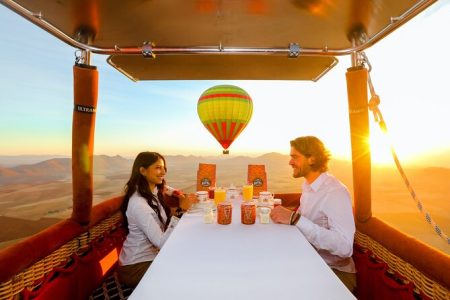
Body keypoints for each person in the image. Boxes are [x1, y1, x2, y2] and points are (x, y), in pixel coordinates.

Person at [270, 136, 356, 293]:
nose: (290, 162)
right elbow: (303, 222)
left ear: (312, 159)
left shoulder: (335, 192)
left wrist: (294, 218)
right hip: (309, 261)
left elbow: (345, 248)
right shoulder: (308, 186)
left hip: (334, 272)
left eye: (295, 157)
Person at [117, 151, 193, 287]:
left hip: (153, 257)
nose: (163, 172)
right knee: (186, 271)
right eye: (158, 168)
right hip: (135, 267)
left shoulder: (153, 191)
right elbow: (161, 243)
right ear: (143, 170)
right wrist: (181, 211)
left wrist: (179, 194)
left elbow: (168, 188)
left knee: (190, 254)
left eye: (164, 168)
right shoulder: (138, 204)